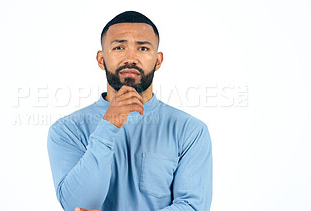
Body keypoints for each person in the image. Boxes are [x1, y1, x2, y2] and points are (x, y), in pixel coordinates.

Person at [47, 11, 212, 211]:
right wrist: (107, 126)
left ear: (158, 61)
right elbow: (77, 206)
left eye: (143, 48)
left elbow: (193, 207)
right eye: (119, 47)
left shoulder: (190, 130)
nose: (130, 58)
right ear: (101, 59)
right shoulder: (66, 130)